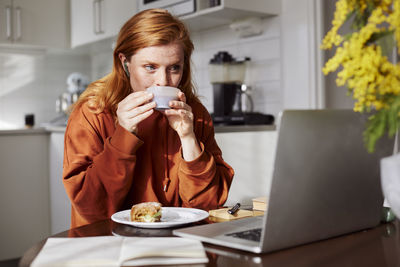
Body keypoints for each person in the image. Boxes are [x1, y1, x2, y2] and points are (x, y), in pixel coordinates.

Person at [63, 9, 234, 228]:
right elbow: (91, 208)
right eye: (150, 67)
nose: (163, 81)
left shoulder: (194, 114)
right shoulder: (92, 112)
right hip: (108, 242)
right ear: (125, 63)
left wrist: (188, 138)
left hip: (177, 244)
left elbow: (208, 206)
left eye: (174, 68)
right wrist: (122, 137)